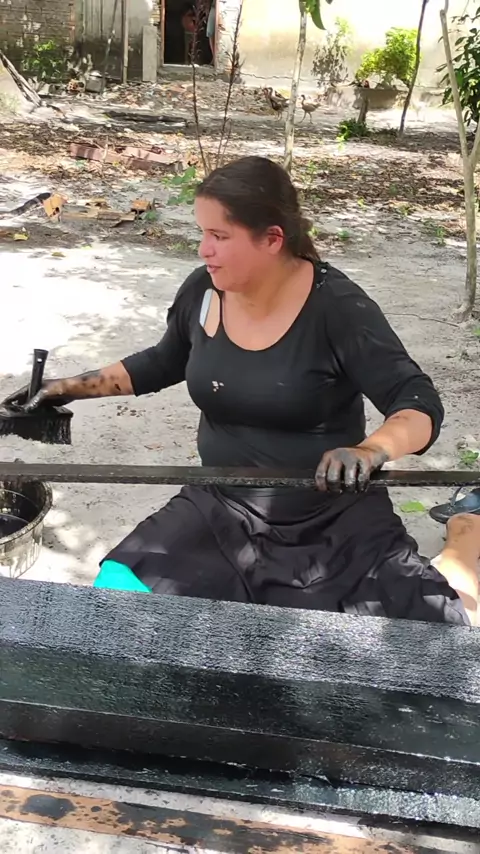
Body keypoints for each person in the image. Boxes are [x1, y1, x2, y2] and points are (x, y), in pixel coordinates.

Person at [7, 156, 479, 625]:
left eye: (219, 236)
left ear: (272, 239)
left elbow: (417, 402)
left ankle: (464, 539)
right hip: (221, 506)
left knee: (427, 633)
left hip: (331, 516)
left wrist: (370, 450)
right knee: (117, 601)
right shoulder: (204, 290)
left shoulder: (339, 308)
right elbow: (165, 361)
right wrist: (65, 388)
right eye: (202, 233)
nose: (203, 250)